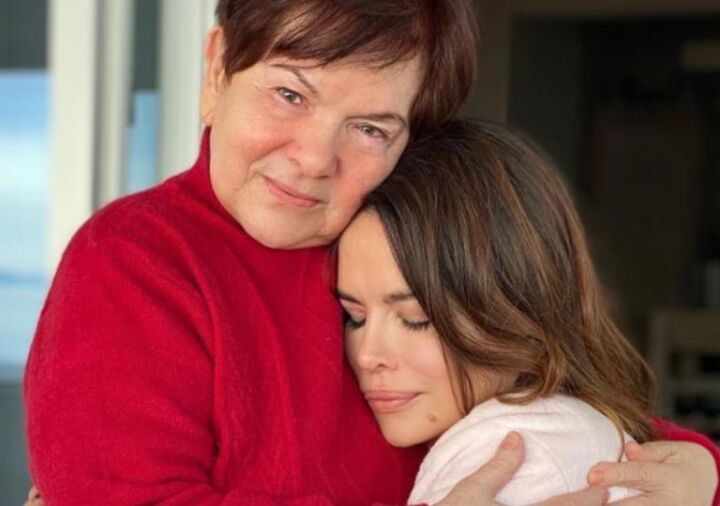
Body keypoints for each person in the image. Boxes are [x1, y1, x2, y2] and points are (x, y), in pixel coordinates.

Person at [24, 1, 719, 504]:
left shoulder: (382, 239)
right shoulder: (134, 262)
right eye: (290, 93)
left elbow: (538, 402)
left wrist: (698, 470)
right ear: (216, 72)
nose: (313, 158)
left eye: (370, 128)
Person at [338, 119, 720, 505]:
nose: (367, 356)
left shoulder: (518, 456)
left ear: (518, 308)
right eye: (354, 317)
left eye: (415, 320)